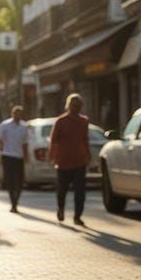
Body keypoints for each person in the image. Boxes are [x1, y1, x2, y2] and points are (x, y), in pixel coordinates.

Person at [50, 93, 91, 226]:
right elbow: (53, 140)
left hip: (80, 161)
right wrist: (52, 156)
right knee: (62, 190)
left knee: (80, 191)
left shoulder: (84, 121)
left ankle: (77, 216)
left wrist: (88, 155)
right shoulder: (60, 121)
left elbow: (85, 139)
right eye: (73, 105)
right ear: (68, 106)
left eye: (78, 106)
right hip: (63, 162)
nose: (76, 108)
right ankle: (61, 208)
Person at [0, 105, 31, 213]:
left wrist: (26, 156)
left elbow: (25, 144)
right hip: (7, 156)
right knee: (9, 180)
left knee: (19, 181)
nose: (18, 115)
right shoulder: (5, 125)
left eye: (20, 113)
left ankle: (16, 201)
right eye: (16, 113)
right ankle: (13, 203)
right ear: (12, 114)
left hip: (19, 157)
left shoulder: (24, 127)